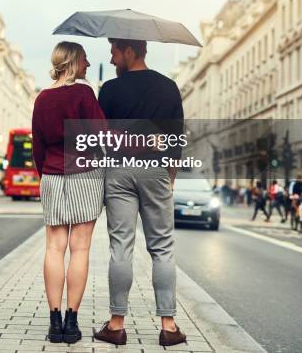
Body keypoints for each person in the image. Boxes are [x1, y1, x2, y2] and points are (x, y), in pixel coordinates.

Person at [94, 38, 187, 348]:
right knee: (162, 246)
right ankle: (169, 326)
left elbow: (98, 134)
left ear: (129, 51)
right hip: (156, 170)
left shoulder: (109, 89)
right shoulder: (168, 87)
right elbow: (176, 136)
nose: (111, 57)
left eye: (114, 51)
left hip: (119, 171)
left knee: (121, 246)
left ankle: (117, 325)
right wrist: (169, 175)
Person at [32, 41, 105, 344]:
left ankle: (54, 321)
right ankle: (72, 323)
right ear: (75, 62)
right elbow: (101, 133)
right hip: (85, 174)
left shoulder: (42, 98)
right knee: (81, 248)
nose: (88, 65)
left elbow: (38, 144)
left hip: (52, 174)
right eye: (85, 60)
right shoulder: (84, 93)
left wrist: (45, 172)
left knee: (53, 248)